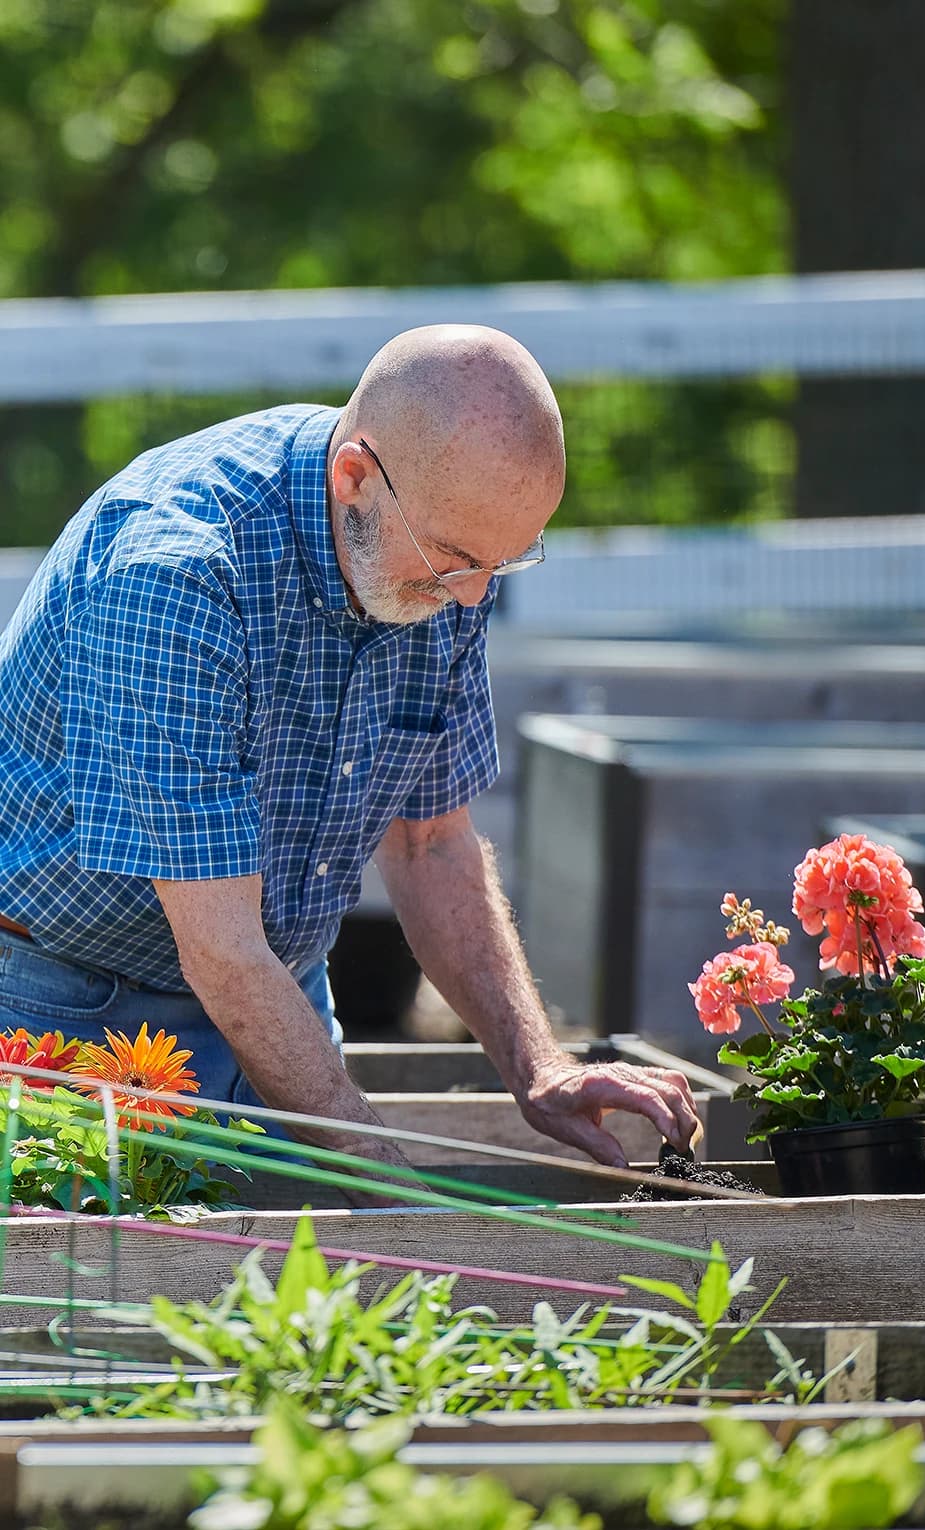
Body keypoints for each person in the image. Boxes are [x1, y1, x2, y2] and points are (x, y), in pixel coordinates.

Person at [0, 324, 700, 1201]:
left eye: (505, 560)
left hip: (279, 999)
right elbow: (221, 951)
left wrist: (539, 1066)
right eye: (456, 560)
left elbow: (432, 844)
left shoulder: (443, 543)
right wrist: (400, 1197)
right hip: (71, 1008)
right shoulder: (172, 576)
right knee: (101, 1324)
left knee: (316, 1322)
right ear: (355, 481)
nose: (475, 596)